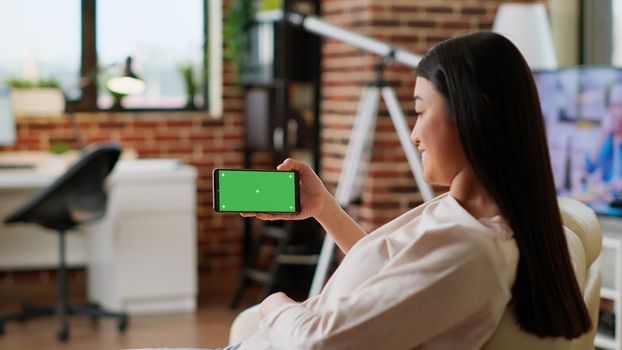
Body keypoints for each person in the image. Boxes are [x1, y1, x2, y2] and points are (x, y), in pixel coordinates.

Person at [229, 32, 591, 350]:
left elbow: (319, 342)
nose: (414, 134)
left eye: (420, 111)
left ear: (474, 112)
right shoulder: (463, 211)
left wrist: (273, 306)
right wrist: (324, 208)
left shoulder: (470, 248)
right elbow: (397, 278)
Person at [584, 81, 622, 203]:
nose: (612, 112)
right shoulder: (607, 138)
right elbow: (589, 167)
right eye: (610, 106)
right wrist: (602, 135)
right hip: (607, 204)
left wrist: (615, 187)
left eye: (616, 106)